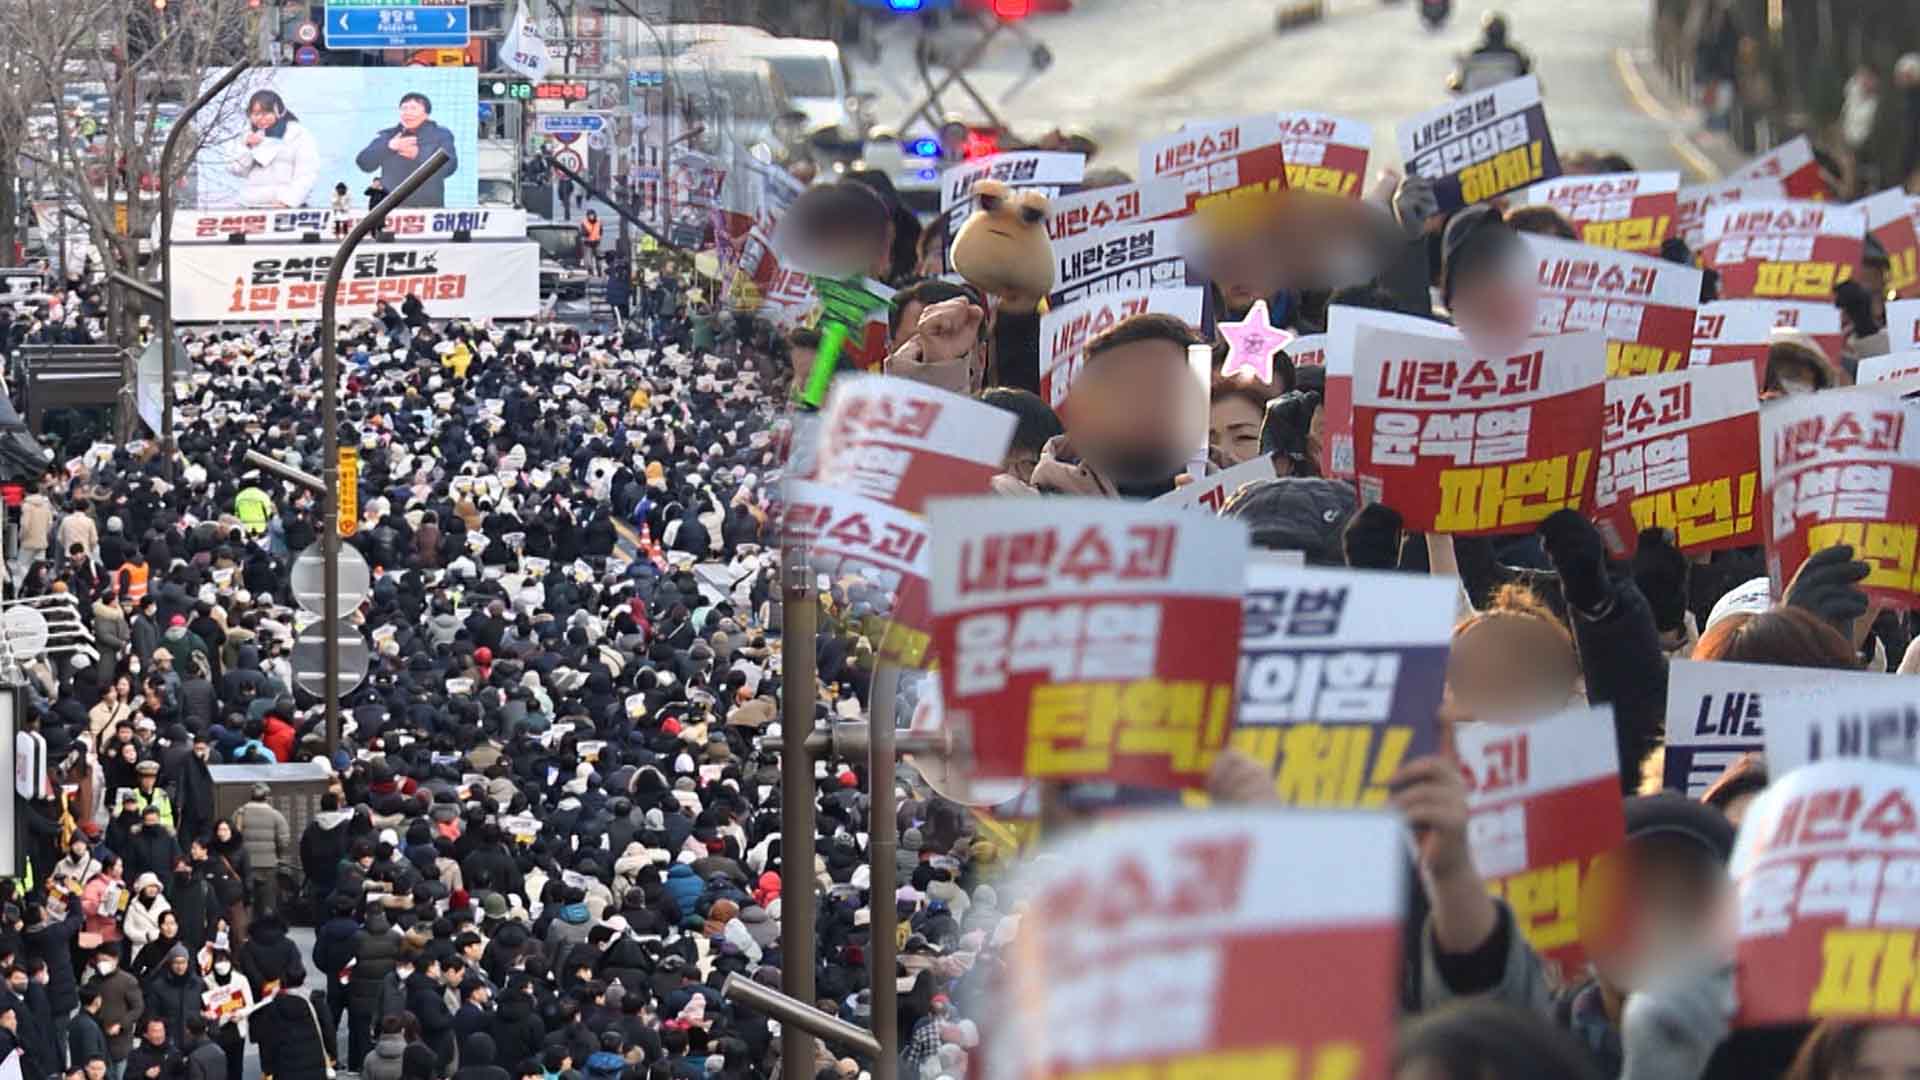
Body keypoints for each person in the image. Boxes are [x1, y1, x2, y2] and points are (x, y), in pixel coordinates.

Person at [354, 92, 458, 208]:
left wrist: (418, 155)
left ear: (426, 114)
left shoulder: (440, 135)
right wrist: (389, 147)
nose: (407, 113)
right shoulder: (389, 135)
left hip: (427, 206)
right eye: (404, 108)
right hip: (390, 207)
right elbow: (364, 163)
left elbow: (450, 167)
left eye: (413, 108)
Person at [226, 90, 322, 210]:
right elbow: (236, 170)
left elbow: (308, 172)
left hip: (284, 207)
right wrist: (246, 147)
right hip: (251, 206)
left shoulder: (297, 134)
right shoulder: (247, 135)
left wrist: (289, 201)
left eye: (266, 113)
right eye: (256, 114)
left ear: (279, 111)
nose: (261, 118)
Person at [253, 967, 335, 1080]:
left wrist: (267, 1069)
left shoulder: (273, 1007)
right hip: (315, 1064)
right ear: (303, 980)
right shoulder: (314, 1000)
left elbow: (267, 1040)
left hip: (285, 1068)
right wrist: (332, 1053)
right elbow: (328, 1028)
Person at [233, 783, 288, 914]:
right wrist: (277, 855)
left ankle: (246, 930)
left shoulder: (239, 813)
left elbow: (232, 836)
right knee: (267, 902)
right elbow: (283, 841)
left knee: (247, 901)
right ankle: (266, 929)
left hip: (245, 864)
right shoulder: (276, 815)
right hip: (268, 865)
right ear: (266, 796)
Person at [1450, 11, 1533, 94]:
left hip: (1481, 101)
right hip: (1509, 101)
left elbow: (1457, 84)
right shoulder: (1515, 56)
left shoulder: (1474, 55)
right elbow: (1531, 84)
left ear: (1486, 34)